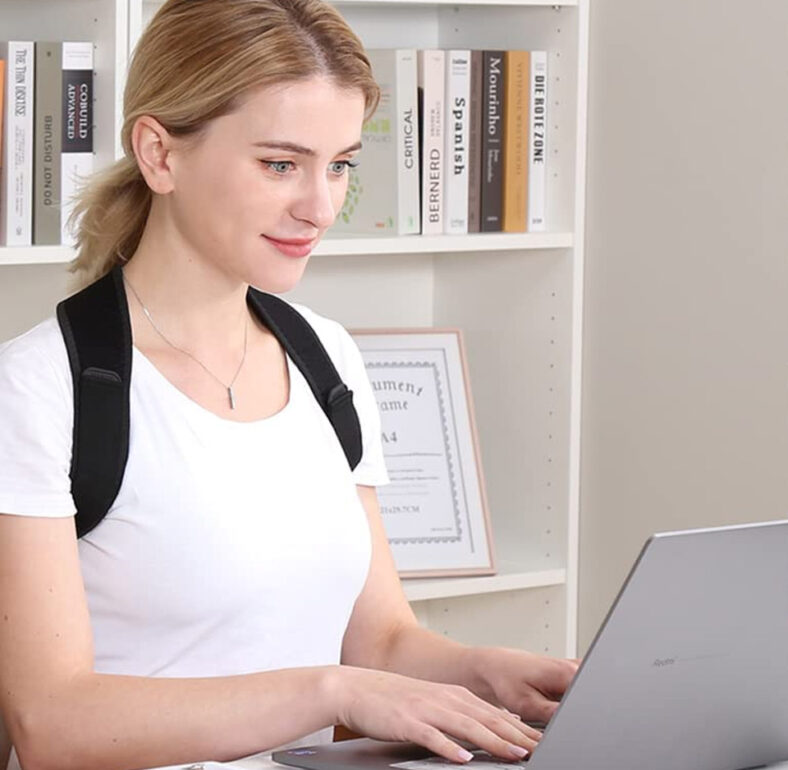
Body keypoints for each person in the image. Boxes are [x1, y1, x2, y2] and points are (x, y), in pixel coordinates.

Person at [0, 1, 578, 768]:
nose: (320, 206)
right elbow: (53, 723)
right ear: (159, 154)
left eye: (339, 164)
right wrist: (331, 693)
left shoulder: (325, 357)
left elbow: (379, 638)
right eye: (281, 164)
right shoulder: (40, 389)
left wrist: (484, 674)